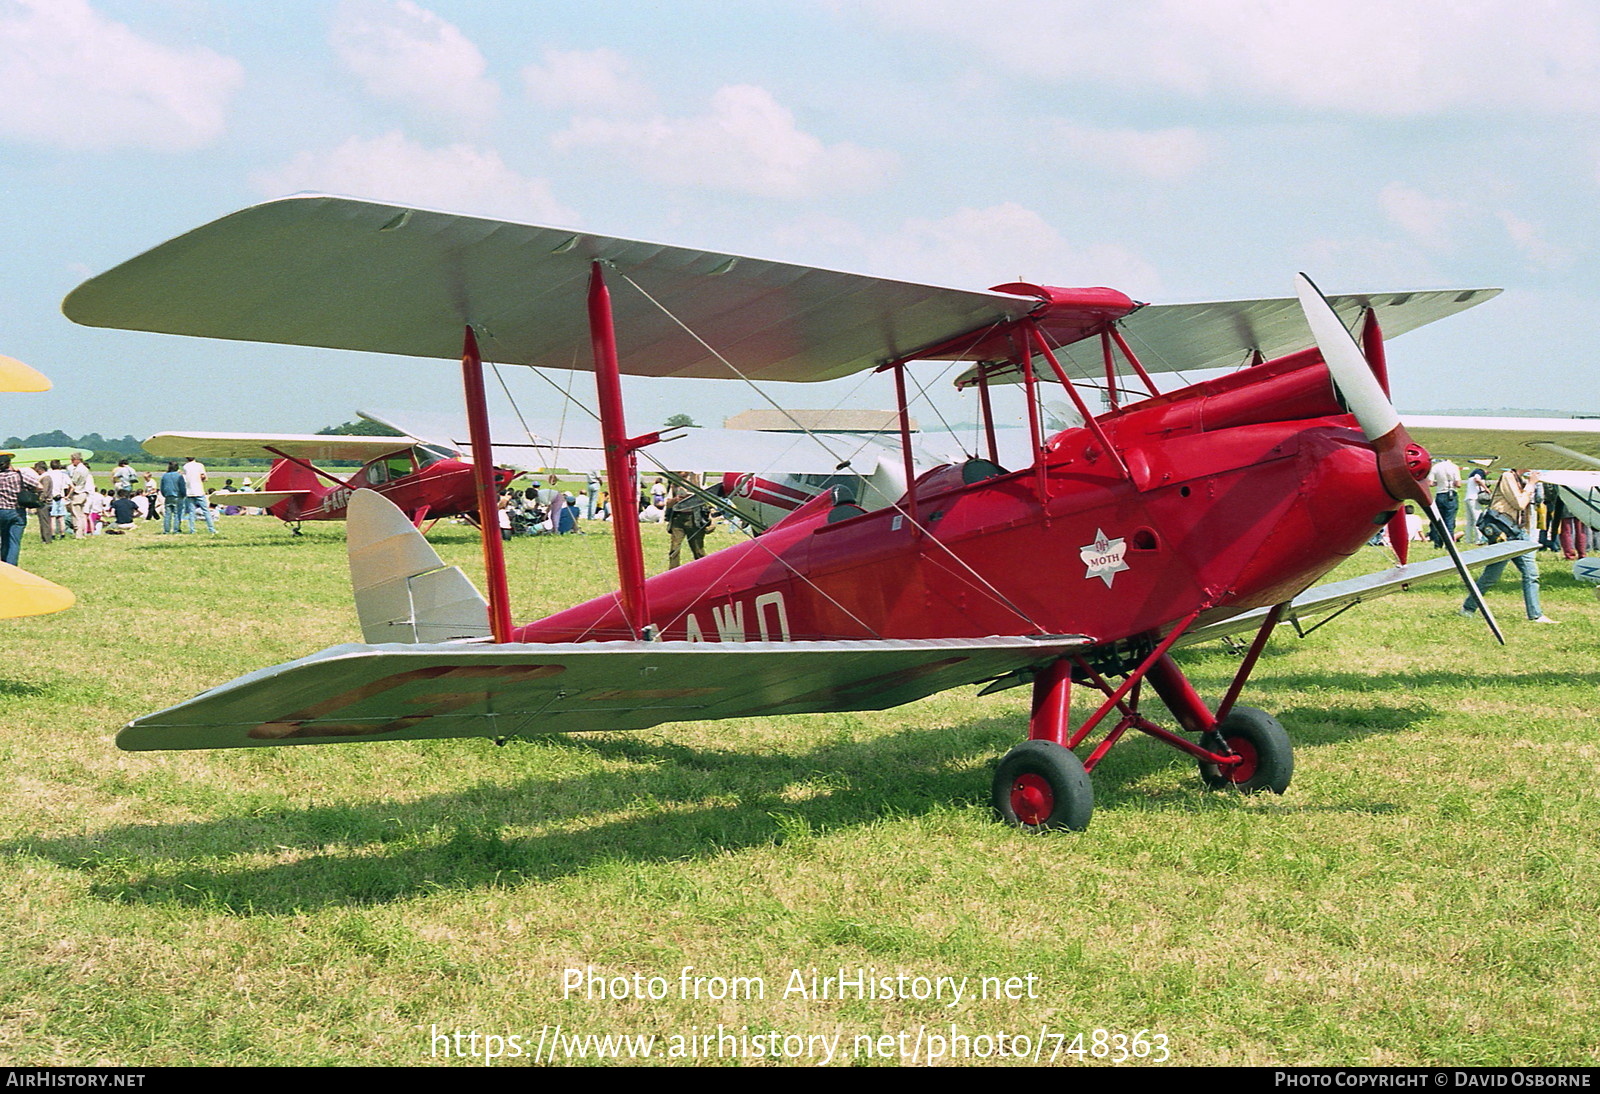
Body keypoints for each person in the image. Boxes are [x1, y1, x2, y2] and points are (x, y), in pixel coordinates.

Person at [1462, 468, 1556, 624]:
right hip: (1504, 534)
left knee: (1531, 574)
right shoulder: (1507, 477)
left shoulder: (1521, 480)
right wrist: (1532, 484)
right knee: (1491, 577)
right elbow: (1519, 503)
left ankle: (1535, 615)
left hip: (1519, 534)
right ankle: (1468, 607)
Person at [0, 452, 41, 566]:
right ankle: (12, 567)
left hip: (1, 511)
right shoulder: (18, 476)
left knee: (4, 539)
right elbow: (39, 486)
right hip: (17, 511)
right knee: (14, 541)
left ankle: (2, 565)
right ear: (9, 464)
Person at [665, 474, 711, 569]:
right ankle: (673, 573)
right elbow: (668, 503)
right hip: (678, 518)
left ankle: (703, 570)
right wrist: (676, 500)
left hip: (693, 518)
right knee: (674, 549)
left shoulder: (698, 481)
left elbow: (707, 498)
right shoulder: (674, 484)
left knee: (698, 549)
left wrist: (693, 497)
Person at [1427, 457, 1461, 547]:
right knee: (1449, 521)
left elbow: (1429, 483)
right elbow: (1458, 484)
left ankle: (1438, 543)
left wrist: (1438, 483)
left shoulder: (1436, 467)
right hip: (1451, 493)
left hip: (1440, 494)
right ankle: (1449, 544)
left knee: (1439, 520)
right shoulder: (1454, 467)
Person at [180, 455, 217, 534]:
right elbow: (203, 477)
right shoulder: (199, 465)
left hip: (189, 491)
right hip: (198, 490)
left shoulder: (185, 466)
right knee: (206, 510)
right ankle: (211, 528)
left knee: (191, 512)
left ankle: (192, 529)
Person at [65, 452, 92, 538]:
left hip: (78, 493)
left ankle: (78, 533)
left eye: (73, 460)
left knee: (76, 515)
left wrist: (68, 494)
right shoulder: (85, 469)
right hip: (84, 492)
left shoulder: (78, 470)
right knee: (82, 515)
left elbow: (73, 483)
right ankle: (83, 532)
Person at [1463, 467, 1489, 545]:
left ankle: (1468, 539)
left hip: (1468, 498)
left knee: (1470, 521)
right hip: (1474, 498)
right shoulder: (1480, 471)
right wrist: (1486, 489)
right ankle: (1479, 539)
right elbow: (1477, 479)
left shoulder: (1473, 473)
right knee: (1478, 519)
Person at [159, 462, 184, 534]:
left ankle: (166, 530)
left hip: (168, 496)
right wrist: (183, 494)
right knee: (177, 514)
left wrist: (164, 494)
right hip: (177, 495)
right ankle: (176, 530)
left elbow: (162, 487)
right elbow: (182, 486)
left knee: (167, 514)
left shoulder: (165, 476)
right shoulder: (179, 476)